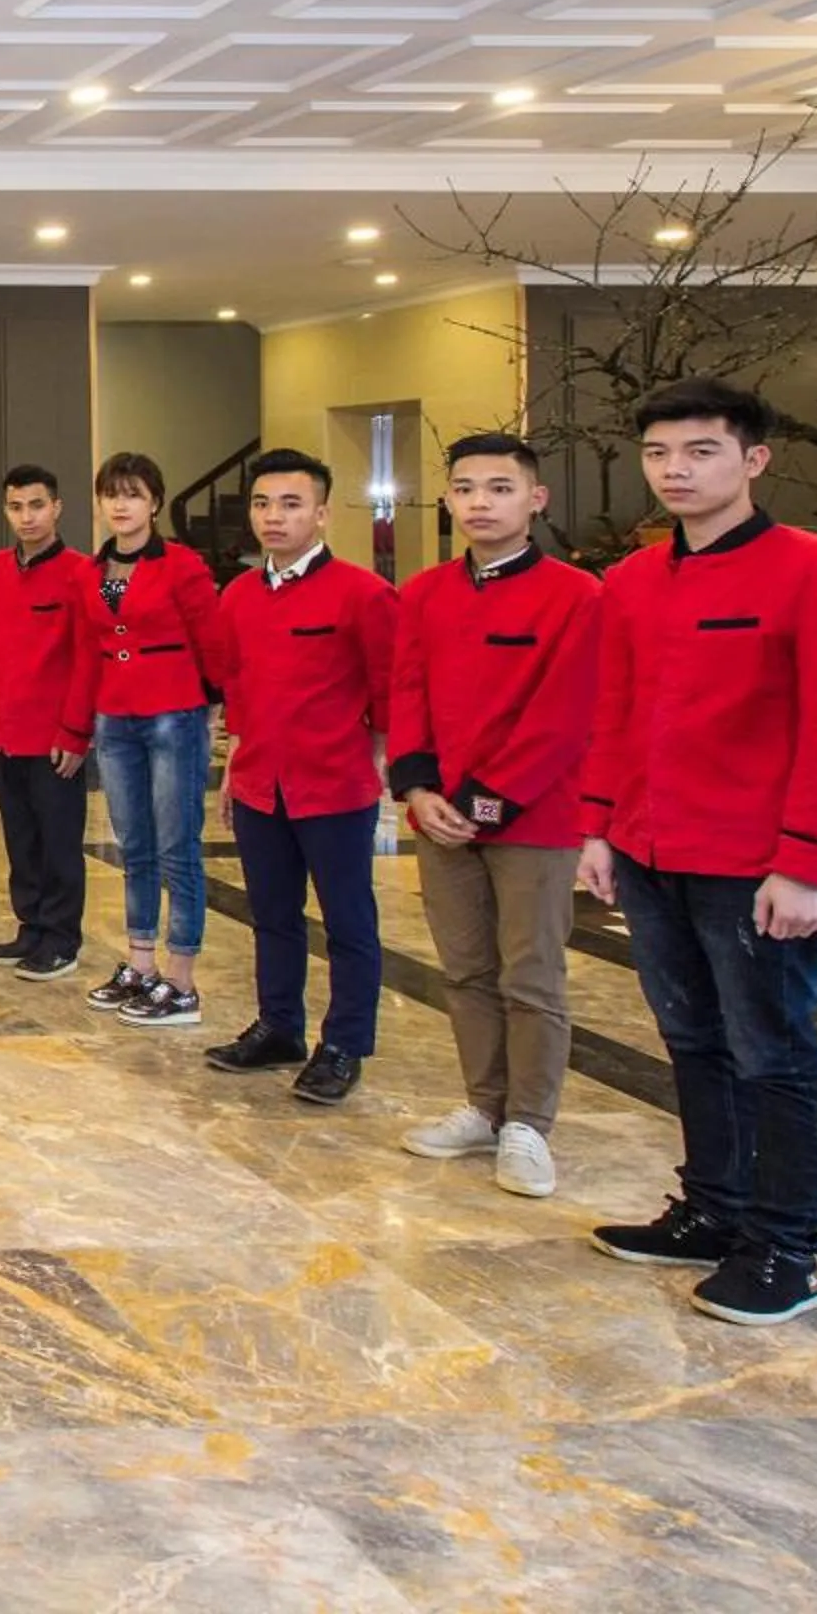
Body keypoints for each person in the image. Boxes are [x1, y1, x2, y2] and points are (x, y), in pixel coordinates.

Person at [580, 377, 817, 1326]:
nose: (677, 471)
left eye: (701, 452)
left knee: (775, 1053)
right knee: (692, 1039)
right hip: (648, 847)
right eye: (660, 455)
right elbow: (616, 713)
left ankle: (788, 1246)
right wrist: (598, 826)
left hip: (756, 865)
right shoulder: (631, 582)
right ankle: (714, 1209)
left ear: (753, 460)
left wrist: (809, 864)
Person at [387, 433, 600, 1198]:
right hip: (439, 815)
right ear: (448, 500)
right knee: (466, 970)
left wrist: (481, 804)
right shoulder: (423, 593)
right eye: (467, 488)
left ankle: (529, 1124)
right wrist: (417, 789)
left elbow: (564, 717)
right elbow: (405, 693)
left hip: (532, 820)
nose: (481, 502)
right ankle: (483, 1104)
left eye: (500, 488)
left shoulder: (577, 596)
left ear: (535, 501)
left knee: (531, 974)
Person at [201, 450, 399, 1107]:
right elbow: (238, 687)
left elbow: (388, 690)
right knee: (273, 917)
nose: (273, 517)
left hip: (334, 786)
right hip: (260, 782)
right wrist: (234, 764)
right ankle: (278, 1025)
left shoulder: (363, 594)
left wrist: (371, 754)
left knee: (348, 922)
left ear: (322, 512)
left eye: (290, 504)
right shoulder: (238, 595)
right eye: (262, 504)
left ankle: (344, 1044)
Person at [80, 453, 223, 1027]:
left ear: (156, 503)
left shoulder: (182, 565)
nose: (121, 505)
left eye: (134, 494)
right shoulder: (92, 569)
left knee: (176, 846)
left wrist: (212, 709)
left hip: (173, 713)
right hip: (115, 717)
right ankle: (139, 962)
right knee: (132, 843)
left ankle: (181, 979)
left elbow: (211, 641)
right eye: (112, 494)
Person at [0, 465, 97, 981]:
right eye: (16, 507)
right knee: (20, 839)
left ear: (57, 507)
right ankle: (30, 927)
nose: (27, 517)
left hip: (55, 737)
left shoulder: (89, 573)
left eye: (36, 506)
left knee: (59, 840)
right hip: (1, 733)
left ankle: (62, 937)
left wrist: (77, 731)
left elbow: (96, 653)